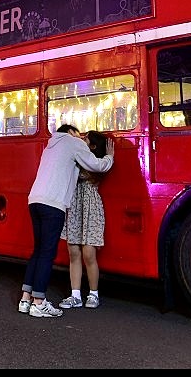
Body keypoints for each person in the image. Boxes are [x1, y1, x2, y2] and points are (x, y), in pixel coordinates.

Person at [18, 124, 113, 318]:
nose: (82, 140)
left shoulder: (50, 145)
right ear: (71, 133)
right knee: (47, 253)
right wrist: (109, 157)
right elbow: (97, 165)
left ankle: (25, 299)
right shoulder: (73, 142)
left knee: (37, 251)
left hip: (34, 200)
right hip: (53, 204)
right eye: (79, 136)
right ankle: (39, 303)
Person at [58, 130, 111, 309]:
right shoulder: (78, 155)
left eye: (86, 139)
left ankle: (93, 294)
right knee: (73, 252)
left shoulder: (92, 161)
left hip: (90, 206)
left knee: (89, 253)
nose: (82, 139)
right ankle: (75, 295)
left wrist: (110, 156)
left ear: (93, 146)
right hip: (75, 205)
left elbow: (102, 166)